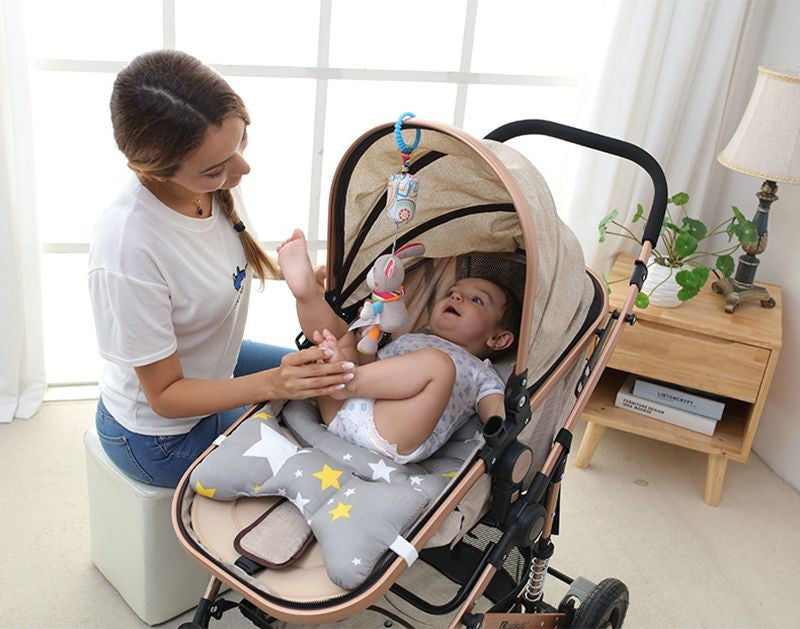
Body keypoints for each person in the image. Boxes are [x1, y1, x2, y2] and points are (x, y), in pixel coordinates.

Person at [87, 50, 353, 488]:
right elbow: (165, 396)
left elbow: (213, 262)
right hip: (160, 438)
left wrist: (295, 276)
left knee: (335, 376)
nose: (242, 169)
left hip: (215, 359)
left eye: (241, 142)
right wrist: (276, 384)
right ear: (156, 170)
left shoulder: (206, 181)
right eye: (217, 169)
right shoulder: (127, 247)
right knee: (317, 458)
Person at [277, 229, 521, 463]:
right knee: (344, 336)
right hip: (342, 408)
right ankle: (307, 294)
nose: (456, 297)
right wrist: (364, 346)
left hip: (391, 430)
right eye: (451, 293)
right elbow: (374, 367)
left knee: (439, 365)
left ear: (498, 339)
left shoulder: (482, 372)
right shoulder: (410, 339)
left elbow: (495, 407)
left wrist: (499, 422)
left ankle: (346, 380)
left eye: (476, 300)